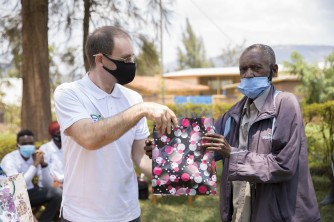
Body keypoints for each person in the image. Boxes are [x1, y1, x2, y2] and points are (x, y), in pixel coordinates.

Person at [53, 25, 178, 222]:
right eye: (125, 59)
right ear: (100, 59)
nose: (131, 64)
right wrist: (142, 110)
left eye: (132, 58)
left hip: (128, 214)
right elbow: (90, 138)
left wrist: (174, 174)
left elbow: (139, 157)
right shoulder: (69, 93)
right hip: (81, 216)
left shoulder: (133, 98)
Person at [201, 44, 321, 221]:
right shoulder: (233, 113)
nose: (249, 74)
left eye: (256, 68)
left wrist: (232, 154)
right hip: (241, 210)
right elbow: (203, 145)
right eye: (243, 69)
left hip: (277, 214)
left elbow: (283, 165)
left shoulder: (285, 104)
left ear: (274, 70)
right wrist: (162, 149)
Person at [0, 129, 62, 222]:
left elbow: (47, 184)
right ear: (18, 146)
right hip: (11, 196)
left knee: (57, 193)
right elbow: (17, 186)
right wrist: (35, 164)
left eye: (31, 143)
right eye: (25, 144)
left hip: (30, 193)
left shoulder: (35, 157)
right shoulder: (10, 160)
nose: (28, 145)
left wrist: (43, 164)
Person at [40, 121, 64, 188]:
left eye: (63, 132)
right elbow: (45, 171)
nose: (61, 134)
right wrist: (58, 184)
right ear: (52, 135)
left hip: (68, 184)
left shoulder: (68, 147)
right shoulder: (45, 148)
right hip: (53, 185)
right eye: (58, 133)